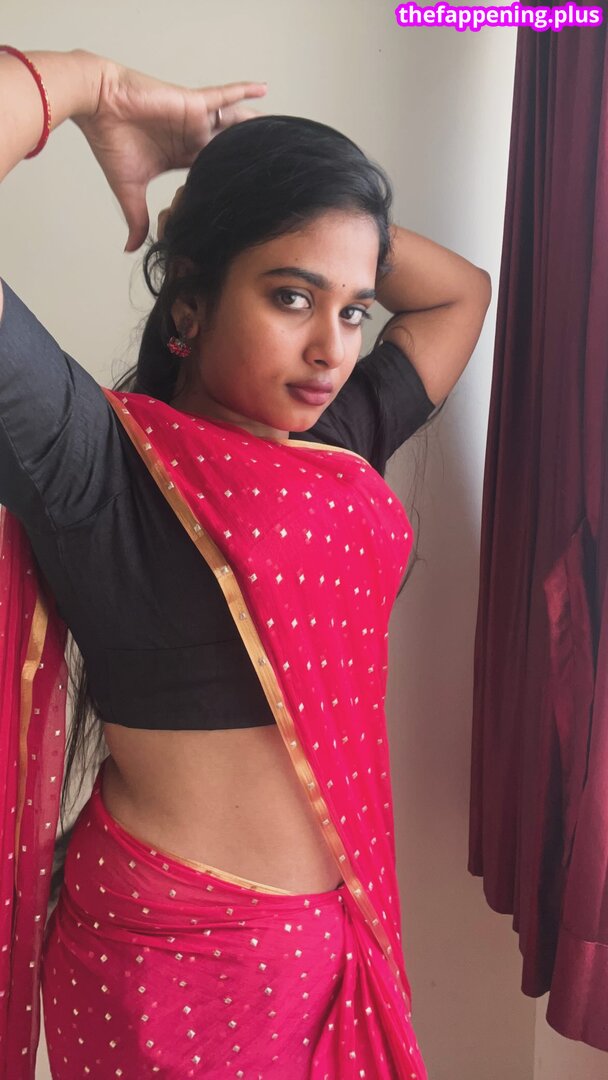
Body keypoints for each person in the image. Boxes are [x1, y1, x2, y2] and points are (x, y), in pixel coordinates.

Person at [0, 46, 491, 1080]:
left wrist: (268, 187)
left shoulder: (333, 446)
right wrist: (96, 90)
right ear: (188, 302)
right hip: (160, 962)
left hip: (329, 946)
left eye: (352, 309)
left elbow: (461, 295)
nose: (333, 350)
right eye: (291, 297)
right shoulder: (97, 467)